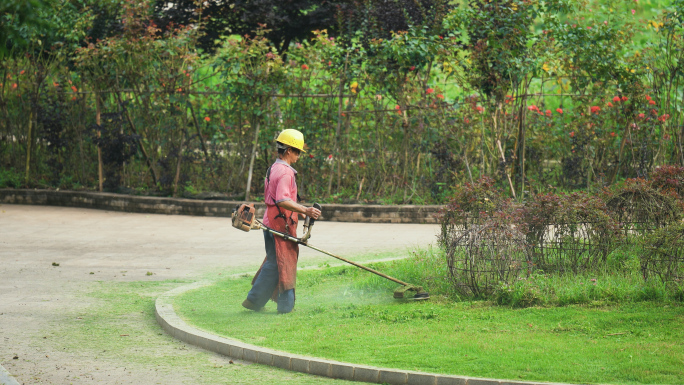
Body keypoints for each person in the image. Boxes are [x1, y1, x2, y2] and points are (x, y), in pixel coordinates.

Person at [242, 129, 321, 314]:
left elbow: (280, 199)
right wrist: (306, 210)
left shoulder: (274, 168)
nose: (299, 155)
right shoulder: (286, 173)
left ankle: (254, 300)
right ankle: (285, 307)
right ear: (288, 151)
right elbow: (282, 200)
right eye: (297, 151)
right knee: (285, 262)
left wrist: (300, 212)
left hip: (270, 222)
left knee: (275, 262)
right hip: (280, 225)